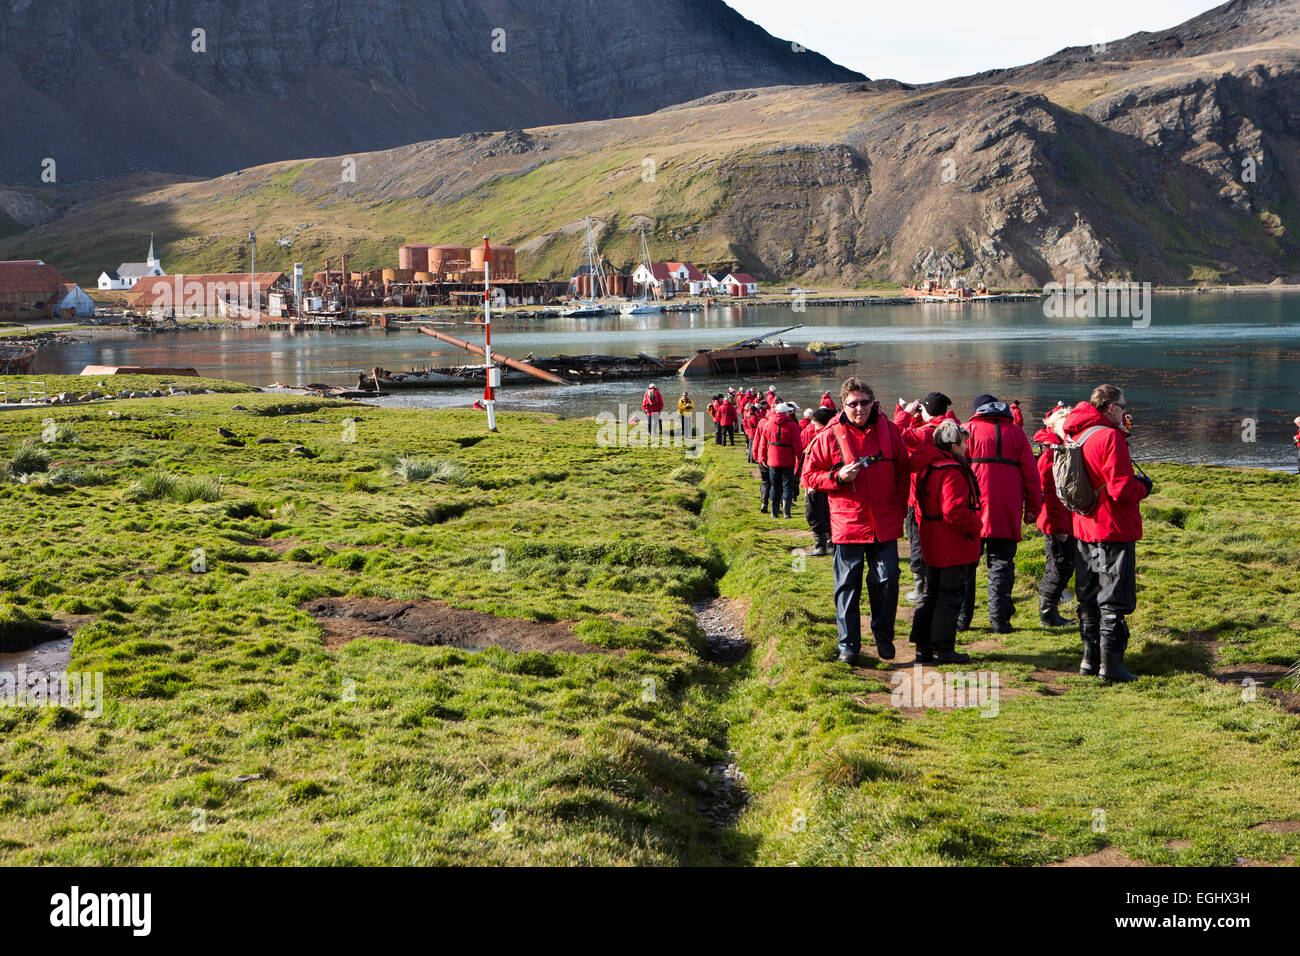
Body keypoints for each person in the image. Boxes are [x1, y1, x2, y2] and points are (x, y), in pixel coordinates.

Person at [803, 378, 910, 664]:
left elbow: (902, 469)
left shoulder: (890, 430)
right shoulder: (829, 435)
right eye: (853, 403)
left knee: (887, 580)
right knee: (847, 586)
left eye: (864, 402)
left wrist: (901, 507)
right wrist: (837, 477)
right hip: (848, 523)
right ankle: (848, 645)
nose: (859, 408)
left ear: (873, 402)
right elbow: (808, 476)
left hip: (884, 522)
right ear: (843, 405)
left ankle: (883, 636)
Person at [1063, 385, 1151, 681]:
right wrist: (1144, 487)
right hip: (1112, 527)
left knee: (1088, 596)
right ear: (1110, 407)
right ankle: (1111, 667)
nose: (1126, 411)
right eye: (1123, 406)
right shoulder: (1109, 437)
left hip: (1084, 526)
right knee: (1113, 598)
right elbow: (1120, 489)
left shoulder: (1077, 434)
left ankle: (1089, 661)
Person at [962, 394, 1043, 633]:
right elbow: (1031, 474)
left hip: (972, 509)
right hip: (1006, 510)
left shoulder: (967, 430)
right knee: (1001, 566)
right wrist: (1033, 509)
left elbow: (953, 471)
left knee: (966, 566)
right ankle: (999, 621)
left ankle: (961, 621)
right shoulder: (1016, 433)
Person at [908, 419, 982, 663]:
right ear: (954, 444)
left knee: (931, 592)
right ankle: (943, 647)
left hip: (931, 536)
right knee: (949, 595)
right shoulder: (951, 470)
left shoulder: (929, 467)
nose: (966, 448)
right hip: (951, 541)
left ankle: (923, 647)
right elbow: (954, 511)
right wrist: (976, 524)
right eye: (963, 443)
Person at [894, 392, 959, 606]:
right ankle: (940, 583)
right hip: (949, 493)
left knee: (917, 540)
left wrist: (906, 413)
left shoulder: (924, 434)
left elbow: (897, 434)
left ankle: (919, 585)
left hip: (919, 496)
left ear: (926, 410)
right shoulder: (954, 428)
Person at [1033, 405, 1074, 627]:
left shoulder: (1060, 450)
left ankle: (1051, 609)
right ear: (1052, 426)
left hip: (1062, 519)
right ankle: (1047, 613)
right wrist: (1060, 528)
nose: (1067, 429)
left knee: (1063, 564)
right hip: (1056, 521)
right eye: (1062, 424)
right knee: (1058, 566)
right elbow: (1050, 495)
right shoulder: (1051, 455)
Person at [796, 406, 836, 556]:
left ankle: (821, 546)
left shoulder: (822, 437)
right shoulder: (827, 435)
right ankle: (830, 544)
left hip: (817, 483)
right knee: (825, 513)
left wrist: (810, 483)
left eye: (815, 422)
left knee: (814, 513)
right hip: (823, 481)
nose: (813, 424)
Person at [753, 402, 804, 519]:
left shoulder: (768, 424)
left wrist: (762, 459)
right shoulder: (792, 426)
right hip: (788, 461)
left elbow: (763, 444)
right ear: (786, 412)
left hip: (772, 460)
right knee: (787, 485)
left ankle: (774, 512)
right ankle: (786, 512)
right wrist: (800, 460)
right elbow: (797, 446)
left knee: (774, 486)